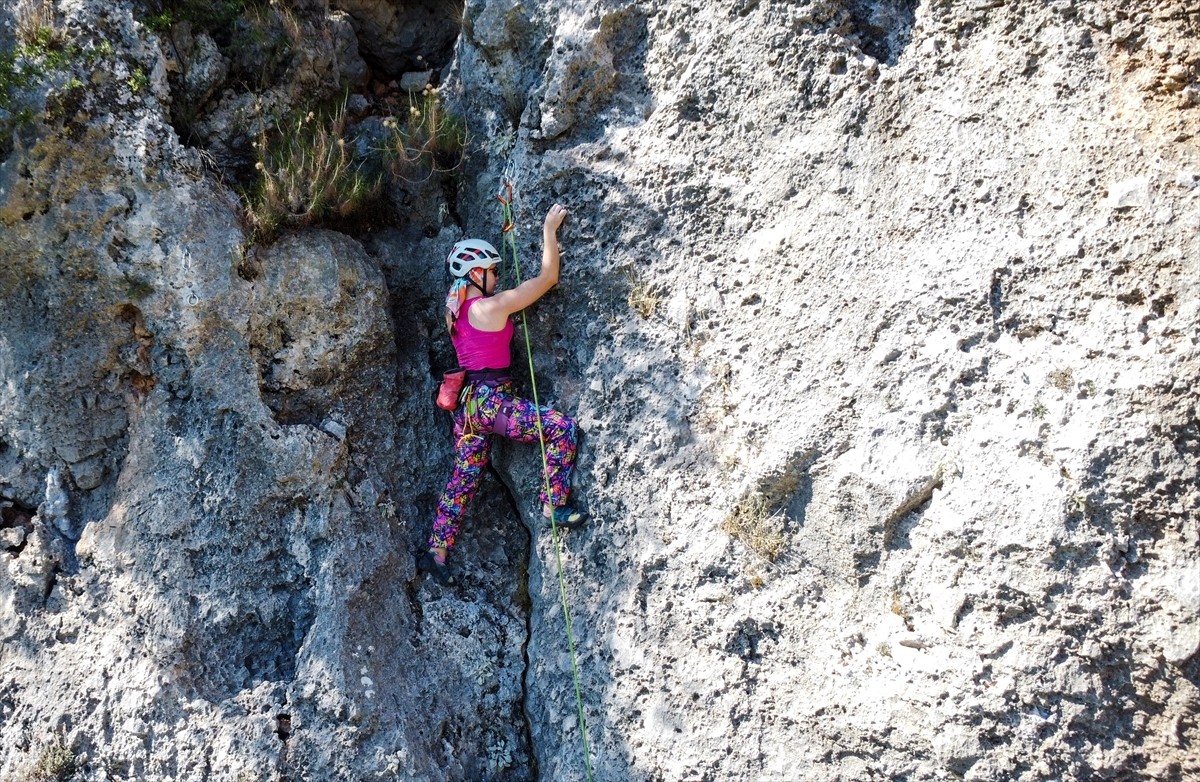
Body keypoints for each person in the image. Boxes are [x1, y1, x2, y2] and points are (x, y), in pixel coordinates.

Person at [417, 203, 587, 585]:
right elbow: (546, 279)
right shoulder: (489, 307)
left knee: (463, 477)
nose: (496, 277)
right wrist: (549, 230)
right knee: (560, 429)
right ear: (476, 274)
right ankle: (553, 503)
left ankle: (437, 552)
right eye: (493, 271)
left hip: (468, 409)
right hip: (494, 402)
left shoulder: (455, 312)